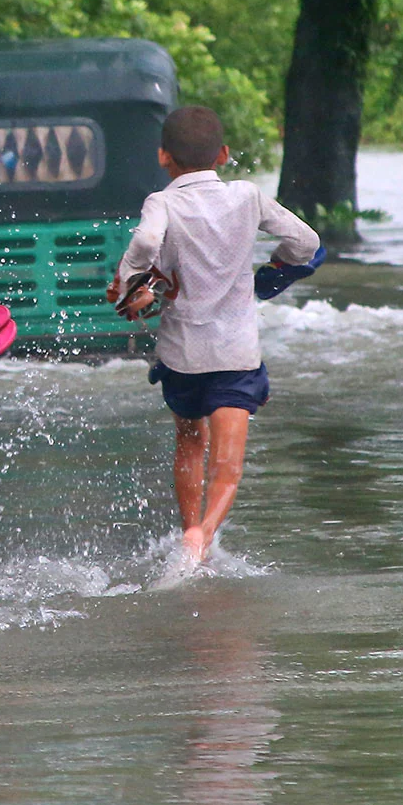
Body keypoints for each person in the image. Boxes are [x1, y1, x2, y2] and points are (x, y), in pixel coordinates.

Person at [108, 106, 319, 567]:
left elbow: (145, 247)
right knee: (228, 466)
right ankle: (201, 543)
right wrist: (270, 276)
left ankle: (188, 532)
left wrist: (128, 281)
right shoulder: (247, 196)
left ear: (164, 156)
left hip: (182, 354)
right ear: (223, 154)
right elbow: (306, 243)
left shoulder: (161, 203)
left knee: (189, 441)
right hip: (236, 352)